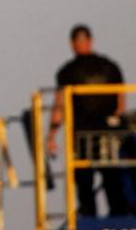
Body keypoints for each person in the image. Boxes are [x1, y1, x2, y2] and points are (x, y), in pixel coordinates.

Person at [46, 24, 129, 217]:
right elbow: (121, 102)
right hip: (108, 134)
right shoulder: (110, 67)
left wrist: (51, 135)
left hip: (81, 135)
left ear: (72, 44)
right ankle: (118, 218)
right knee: (112, 180)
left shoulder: (67, 71)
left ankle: (90, 219)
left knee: (84, 183)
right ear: (90, 41)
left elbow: (60, 106)